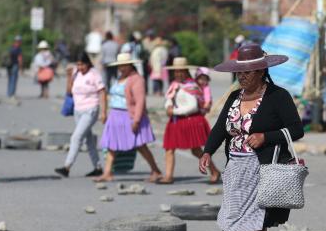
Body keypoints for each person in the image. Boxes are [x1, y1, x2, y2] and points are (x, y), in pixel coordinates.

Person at [200, 43, 304, 231]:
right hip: (236, 168)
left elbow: (296, 129)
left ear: (261, 71)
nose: (242, 76)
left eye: (247, 72)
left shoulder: (278, 97)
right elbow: (220, 128)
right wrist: (207, 151)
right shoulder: (235, 98)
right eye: (239, 72)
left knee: (250, 224)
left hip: (263, 169)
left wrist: (266, 136)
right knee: (257, 229)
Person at [95, 53, 162, 183]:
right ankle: (107, 173)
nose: (121, 68)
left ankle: (155, 170)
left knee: (140, 145)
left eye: (124, 65)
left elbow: (140, 101)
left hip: (128, 115)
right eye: (120, 65)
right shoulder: (119, 78)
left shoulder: (137, 79)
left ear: (131, 65)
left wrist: (136, 120)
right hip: (115, 115)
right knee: (111, 145)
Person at [161, 57, 220, 184]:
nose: (178, 74)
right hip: (176, 121)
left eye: (181, 71)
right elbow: (169, 98)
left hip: (190, 120)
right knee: (169, 148)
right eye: (176, 71)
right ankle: (168, 176)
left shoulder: (191, 86)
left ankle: (214, 171)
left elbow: (193, 106)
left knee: (196, 150)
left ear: (186, 71)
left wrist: (174, 111)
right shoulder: (174, 85)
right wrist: (168, 107)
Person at [54, 52, 105, 178]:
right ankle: (97, 167)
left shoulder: (94, 74)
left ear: (87, 63)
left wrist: (104, 112)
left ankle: (67, 167)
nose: (80, 67)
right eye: (78, 64)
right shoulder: (76, 73)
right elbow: (69, 92)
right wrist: (68, 77)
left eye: (82, 65)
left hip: (91, 110)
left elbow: (103, 93)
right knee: (89, 141)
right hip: (78, 110)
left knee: (76, 137)